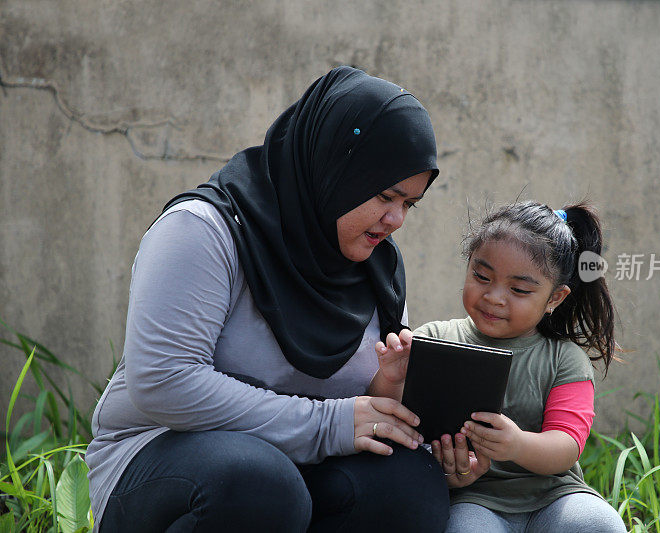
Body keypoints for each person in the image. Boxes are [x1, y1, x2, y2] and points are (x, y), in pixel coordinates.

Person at [85, 66, 450, 532]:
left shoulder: (376, 266)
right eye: (385, 195)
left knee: (407, 485)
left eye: (409, 205)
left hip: (302, 473)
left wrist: (393, 399)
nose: (396, 219)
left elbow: (359, 415)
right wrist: (324, 426)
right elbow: (163, 380)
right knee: (259, 483)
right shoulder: (205, 230)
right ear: (333, 165)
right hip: (166, 463)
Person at [375, 201, 627, 532]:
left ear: (555, 298)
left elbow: (567, 445)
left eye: (519, 289)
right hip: (473, 498)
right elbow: (387, 414)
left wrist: (517, 444)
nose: (494, 297)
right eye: (481, 276)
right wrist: (391, 377)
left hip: (554, 496)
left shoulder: (563, 359)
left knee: (598, 524)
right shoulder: (435, 339)